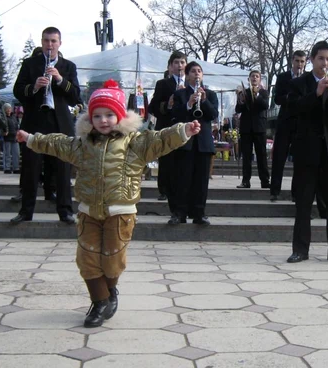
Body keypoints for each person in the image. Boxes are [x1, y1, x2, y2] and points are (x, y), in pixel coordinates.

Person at [16, 80, 200, 327]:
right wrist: (30, 139)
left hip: (120, 211)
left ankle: (110, 291)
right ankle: (100, 301)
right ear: (90, 119)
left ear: (120, 116)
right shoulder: (82, 145)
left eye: (109, 114)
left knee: (112, 258)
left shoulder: (135, 142)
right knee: (87, 258)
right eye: (98, 116)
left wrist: (183, 130)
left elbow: (160, 139)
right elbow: (56, 143)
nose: (103, 120)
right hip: (89, 210)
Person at [286, 41, 328, 264]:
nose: (325, 63)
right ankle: (300, 250)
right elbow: (294, 110)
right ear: (312, 60)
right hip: (307, 151)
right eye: (321, 59)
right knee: (304, 204)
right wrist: (316, 93)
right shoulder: (299, 84)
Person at [11, 26, 81, 225]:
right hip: (35, 120)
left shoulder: (68, 66)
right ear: (42, 42)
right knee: (31, 168)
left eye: (53, 41)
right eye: (46, 41)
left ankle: (65, 211)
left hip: (60, 122)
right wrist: (34, 87)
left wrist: (59, 79)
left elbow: (75, 95)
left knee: (62, 168)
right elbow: (18, 91)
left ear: (60, 43)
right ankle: (26, 211)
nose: (50, 45)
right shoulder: (30, 64)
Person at [170, 61, 218, 225]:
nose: (196, 74)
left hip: (203, 142)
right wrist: (189, 103)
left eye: (199, 71)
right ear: (187, 75)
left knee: (201, 180)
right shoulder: (180, 94)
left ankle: (199, 213)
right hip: (185, 141)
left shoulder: (210, 94)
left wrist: (203, 101)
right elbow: (175, 115)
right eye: (193, 71)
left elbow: (212, 115)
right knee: (182, 178)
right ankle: (179, 213)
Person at [148, 51, 187, 204]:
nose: (179, 66)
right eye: (176, 62)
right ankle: (164, 190)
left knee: (183, 160)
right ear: (170, 66)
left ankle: (182, 189)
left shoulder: (193, 83)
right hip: (166, 126)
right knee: (166, 159)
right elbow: (153, 107)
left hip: (184, 127)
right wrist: (167, 105)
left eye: (182, 62)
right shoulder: (162, 84)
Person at [271, 51, 306, 201]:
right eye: (297, 61)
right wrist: (290, 98)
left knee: (300, 160)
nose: (299, 64)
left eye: (302, 62)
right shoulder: (282, 77)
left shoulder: (307, 78)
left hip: (301, 123)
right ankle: (274, 191)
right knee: (279, 157)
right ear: (292, 61)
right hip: (285, 121)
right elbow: (277, 98)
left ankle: (296, 192)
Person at [236, 70, 270, 189]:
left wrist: (256, 95)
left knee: (262, 155)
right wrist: (241, 99)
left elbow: (266, 105)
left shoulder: (264, 92)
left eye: (257, 76)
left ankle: (265, 181)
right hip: (246, 128)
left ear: (260, 79)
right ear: (249, 79)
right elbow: (238, 109)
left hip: (259, 128)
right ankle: (246, 181)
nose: (254, 78)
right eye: (252, 76)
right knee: (246, 156)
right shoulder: (243, 92)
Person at [2, 103, 21, 174]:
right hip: (7, 138)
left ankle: (16, 167)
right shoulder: (3, 117)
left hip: (14, 137)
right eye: (7, 108)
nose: (8, 110)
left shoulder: (14, 117)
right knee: (7, 154)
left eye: (9, 108)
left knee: (16, 153)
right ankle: (7, 168)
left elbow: (16, 126)